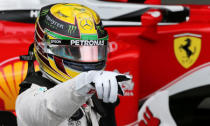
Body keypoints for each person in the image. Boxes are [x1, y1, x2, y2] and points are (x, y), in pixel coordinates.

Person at [15, 3, 131, 126]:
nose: (87, 63)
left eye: (93, 51)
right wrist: (83, 82)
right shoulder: (29, 99)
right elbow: (48, 109)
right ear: (45, 48)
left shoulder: (92, 96)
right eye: (74, 51)